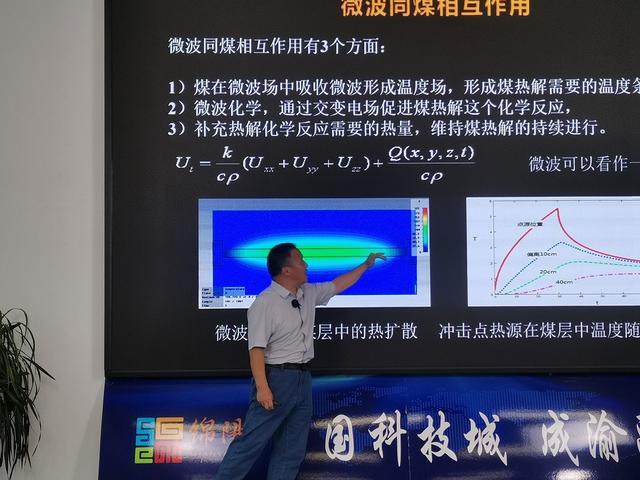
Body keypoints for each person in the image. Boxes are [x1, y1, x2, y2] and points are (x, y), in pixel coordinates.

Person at [215, 242, 386, 480]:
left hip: (303, 378)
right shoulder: (265, 302)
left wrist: (366, 265)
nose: (306, 265)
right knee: (250, 443)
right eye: (301, 260)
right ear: (286, 270)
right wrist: (263, 388)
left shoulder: (308, 293)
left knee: (291, 450)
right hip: (276, 379)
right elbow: (256, 350)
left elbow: (338, 284)